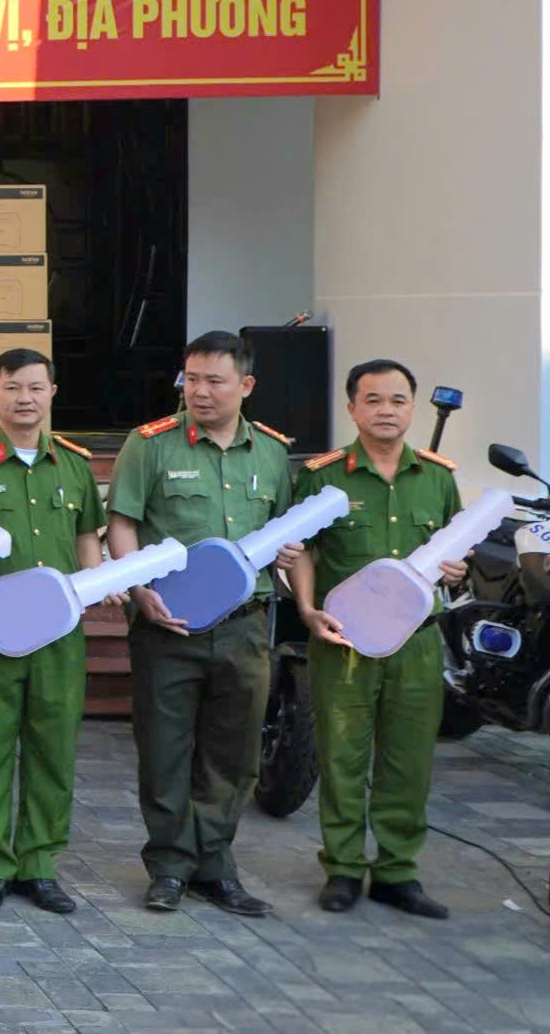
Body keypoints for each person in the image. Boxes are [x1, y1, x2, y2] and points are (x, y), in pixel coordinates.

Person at [105, 331, 297, 917]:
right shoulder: (151, 444)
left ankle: (214, 864)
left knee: (234, 752)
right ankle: (168, 866)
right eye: (191, 379)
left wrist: (289, 555)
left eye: (215, 380)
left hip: (244, 625)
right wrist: (138, 589)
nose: (200, 391)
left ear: (246, 385)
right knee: (164, 750)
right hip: (168, 622)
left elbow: (284, 533)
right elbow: (122, 523)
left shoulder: (271, 452)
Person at [289, 358, 468, 919]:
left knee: (408, 759)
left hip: (416, 642)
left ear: (412, 408)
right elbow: (302, 551)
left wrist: (456, 571)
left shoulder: (437, 478)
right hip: (344, 640)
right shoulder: (323, 476)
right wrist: (307, 609)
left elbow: (455, 550)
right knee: (341, 756)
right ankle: (342, 868)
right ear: (352, 409)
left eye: (397, 400)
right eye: (372, 400)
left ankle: (397, 872)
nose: (385, 410)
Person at [0, 347, 107, 914]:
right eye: (12, 387)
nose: (24, 398)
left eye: (35, 387)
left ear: (52, 393)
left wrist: (90, 589)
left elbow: (87, 536)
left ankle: (39, 865)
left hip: (57, 634)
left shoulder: (75, 465)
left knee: (52, 751)